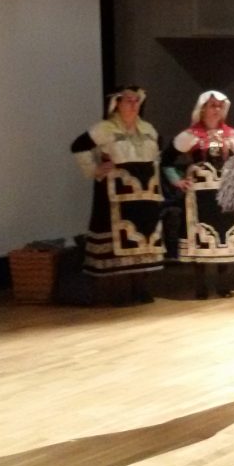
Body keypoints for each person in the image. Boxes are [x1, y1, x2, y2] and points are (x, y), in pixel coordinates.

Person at [71, 86, 166, 304]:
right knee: (117, 241)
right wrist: (95, 169)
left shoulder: (148, 129)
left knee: (142, 238)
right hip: (116, 195)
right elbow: (78, 146)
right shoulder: (104, 129)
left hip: (143, 195)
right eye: (128, 100)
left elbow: (157, 156)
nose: (133, 105)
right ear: (117, 103)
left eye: (136, 100)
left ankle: (140, 287)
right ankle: (119, 292)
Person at [162, 90, 234, 299]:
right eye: (212, 105)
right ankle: (201, 286)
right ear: (202, 109)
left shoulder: (232, 135)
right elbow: (166, 160)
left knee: (224, 234)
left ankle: (223, 285)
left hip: (225, 195)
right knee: (200, 238)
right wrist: (177, 180)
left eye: (219, 106)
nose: (216, 109)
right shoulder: (190, 136)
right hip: (200, 198)